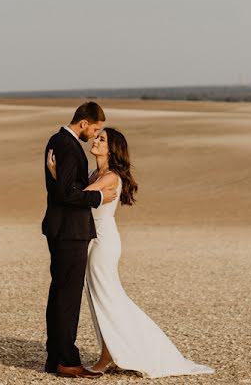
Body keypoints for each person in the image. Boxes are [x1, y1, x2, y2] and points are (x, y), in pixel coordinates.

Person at [48, 127, 214, 378]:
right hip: (93, 239)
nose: (96, 140)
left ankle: (111, 355)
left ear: (112, 150)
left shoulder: (110, 177)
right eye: (97, 136)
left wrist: (55, 173)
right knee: (98, 296)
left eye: (102, 139)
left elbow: (74, 198)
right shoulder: (95, 173)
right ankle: (110, 352)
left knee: (108, 295)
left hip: (104, 241)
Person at [42, 102, 118, 378]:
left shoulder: (57, 140)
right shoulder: (69, 146)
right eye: (95, 129)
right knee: (67, 297)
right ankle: (65, 360)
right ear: (84, 123)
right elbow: (67, 193)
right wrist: (97, 197)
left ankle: (55, 358)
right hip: (70, 231)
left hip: (62, 229)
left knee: (61, 293)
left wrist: (56, 178)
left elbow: (63, 187)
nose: (95, 135)